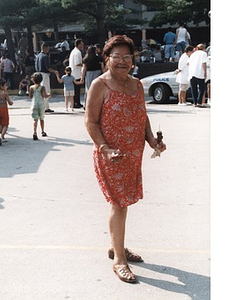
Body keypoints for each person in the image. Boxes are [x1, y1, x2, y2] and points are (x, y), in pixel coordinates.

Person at [84, 35, 166, 284]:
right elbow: (90, 122)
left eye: (127, 57)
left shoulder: (137, 85)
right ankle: (119, 259)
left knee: (123, 203)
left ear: (132, 60)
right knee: (119, 202)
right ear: (107, 59)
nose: (122, 61)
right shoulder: (100, 85)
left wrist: (152, 140)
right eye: (116, 57)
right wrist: (105, 149)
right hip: (111, 156)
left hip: (132, 155)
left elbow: (142, 115)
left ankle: (116, 245)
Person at [35, 43, 58, 113]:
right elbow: (48, 68)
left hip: (38, 74)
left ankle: (42, 106)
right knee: (46, 91)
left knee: (40, 91)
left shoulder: (38, 56)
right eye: (47, 48)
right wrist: (55, 71)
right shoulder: (45, 56)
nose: (48, 50)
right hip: (44, 74)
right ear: (44, 48)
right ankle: (45, 107)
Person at [29, 73, 51, 140]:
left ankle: (35, 132)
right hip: (41, 104)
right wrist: (49, 95)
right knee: (41, 119)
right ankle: (42, 131)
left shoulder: (31, 87)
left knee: (35, 119)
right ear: (41, 80)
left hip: (34, 104)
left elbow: (30, 96)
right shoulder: (42, 87)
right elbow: (44, 96)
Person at [0, 78, 13, 145]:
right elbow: (10, 103)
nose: (6, 86)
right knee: (6, 124)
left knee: (1, 123)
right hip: (4, 109)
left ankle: (1, 133)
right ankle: (2, 136)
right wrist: (12, 102)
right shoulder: (5, 93)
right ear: (2, 86)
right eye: (5, 85)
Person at [69, 39, 84, 108]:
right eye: (81, 44)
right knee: (76, 89)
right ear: (78, 44)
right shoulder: (77, 52)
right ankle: (75, 103)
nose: (82, 45)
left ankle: (76, 102)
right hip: (76, 73)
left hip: (73, 72)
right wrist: (83, 64)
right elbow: (77, 63)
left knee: (76, 89)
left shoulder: (73, 51)